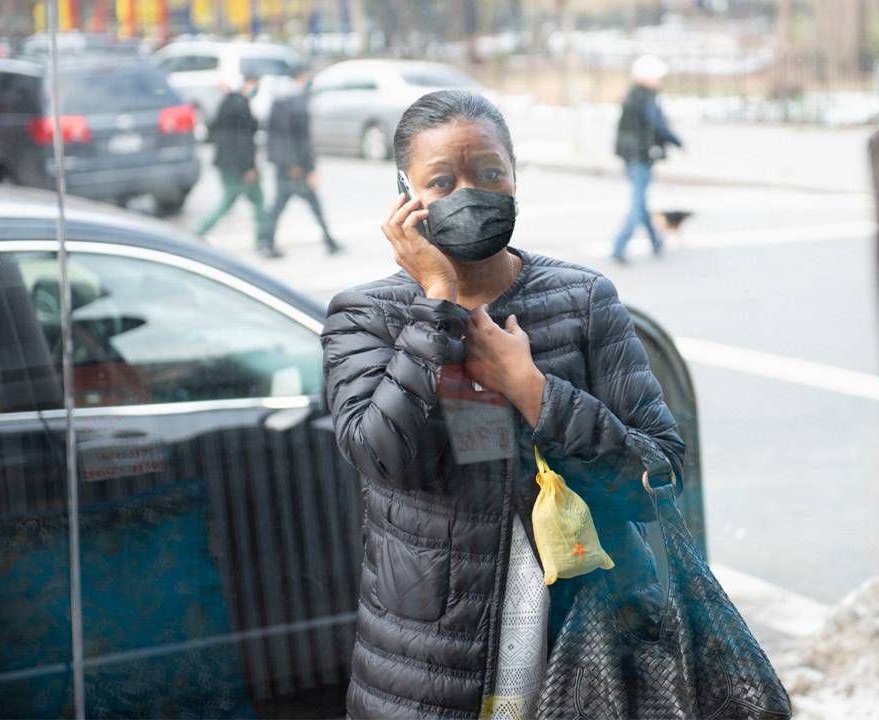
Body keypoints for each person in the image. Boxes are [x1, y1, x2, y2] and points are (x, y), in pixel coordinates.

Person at [322, 90, 685, 720]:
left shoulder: (584, 299)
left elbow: (660, 478)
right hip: (433, 658)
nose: (470, 192)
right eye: (442, 180)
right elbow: (383, 459)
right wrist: (436, 305)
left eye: (489, 173)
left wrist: (535, 392)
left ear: (514, 178)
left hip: (593, 631)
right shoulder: (367, 316)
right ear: (405, 195)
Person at [262, 67, 341, 257]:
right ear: (301, 78)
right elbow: (300, 139)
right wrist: (306, 167)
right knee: (309, 204)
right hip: (296, 167)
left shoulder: (278, 100)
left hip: (285, 164)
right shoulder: (296, 102)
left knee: (280, 206)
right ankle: (329, 242)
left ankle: (267, 242)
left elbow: (275, 136)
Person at [611, 54, 683, 264]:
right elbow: (658, 126)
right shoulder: (646, 98)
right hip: (641, 155)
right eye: (657, 76)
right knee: (638, 203)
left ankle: (656, 242)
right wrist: (677, 141)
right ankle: (619, 246)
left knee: (641, 203)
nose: (660, 81)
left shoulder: (632, 95)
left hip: (631, 155)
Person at [194, 73, 270, 254]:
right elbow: (243, 141)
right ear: (248, 83)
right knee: (252, 200)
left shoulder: (228, 101)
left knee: (234, 200)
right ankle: (263, 240)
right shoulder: (240, 105)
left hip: (226, 163)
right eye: (255, 84)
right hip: (239, 166)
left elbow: (212, 131)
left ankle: (200, 232)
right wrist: (249, 167)